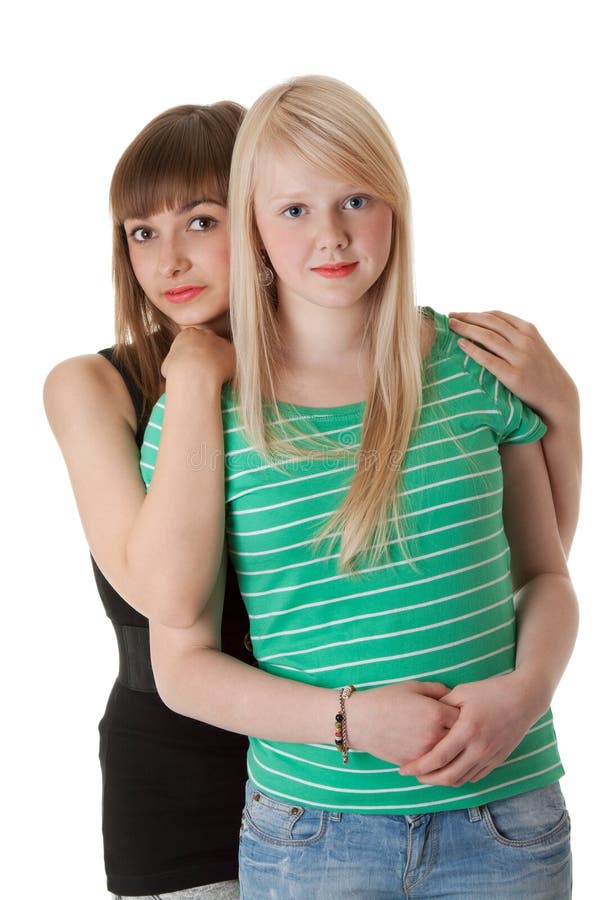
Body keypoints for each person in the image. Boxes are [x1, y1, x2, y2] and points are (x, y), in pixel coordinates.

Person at [140, 77, 580, 898]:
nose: (332, 237)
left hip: (506, 822)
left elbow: (547, 577)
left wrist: (528, 691)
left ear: (396, 204)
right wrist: (350, 720)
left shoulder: (474, 367)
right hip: (311, 836)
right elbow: (183, 666)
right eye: (294, 210)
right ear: (254, 230)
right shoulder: (207, 415)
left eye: (355, 199)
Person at [43, 103, 253, 899]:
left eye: (200, 221)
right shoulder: (92, 385)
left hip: (341, 769)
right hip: (176, 786)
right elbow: (164, 590)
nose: (168, 260)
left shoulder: (330, 382)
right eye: (142, 232)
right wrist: (193, 380)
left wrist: (566, 416)